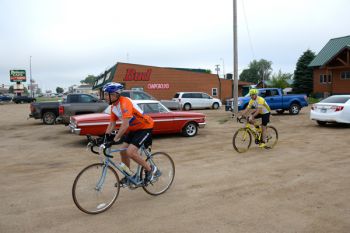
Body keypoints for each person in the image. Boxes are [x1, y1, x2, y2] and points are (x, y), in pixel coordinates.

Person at [103, 82, 158, 185]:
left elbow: (125, 125)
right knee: (123, 152)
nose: (105, 97)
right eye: (105, 94)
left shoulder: (125, 102)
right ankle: (129, 176)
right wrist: (105, 138)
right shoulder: (113, 107)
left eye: (107, 94)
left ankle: (150, 169)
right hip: (133, 129)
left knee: (130, 152)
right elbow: (112, 124)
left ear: (115, 94)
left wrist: (114, 139)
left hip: (145, 127)